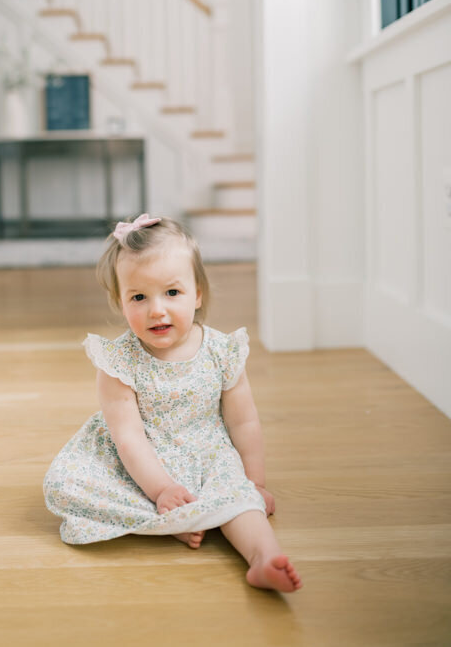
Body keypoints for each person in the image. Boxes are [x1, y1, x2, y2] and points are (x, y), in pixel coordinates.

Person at [43, 214, 302, 592]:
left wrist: (255, 480)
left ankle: (263, 557)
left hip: (208, 450)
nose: (157, 310)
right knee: (65, 484)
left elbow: (244, 422)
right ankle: (170, 518)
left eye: (172, 293)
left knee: (240, 498)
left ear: (197, 293)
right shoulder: (118, 363)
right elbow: (128, 438)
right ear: (119, 301)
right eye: (138, 297)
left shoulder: (221, 351)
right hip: (144, 459)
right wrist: (162, 488)